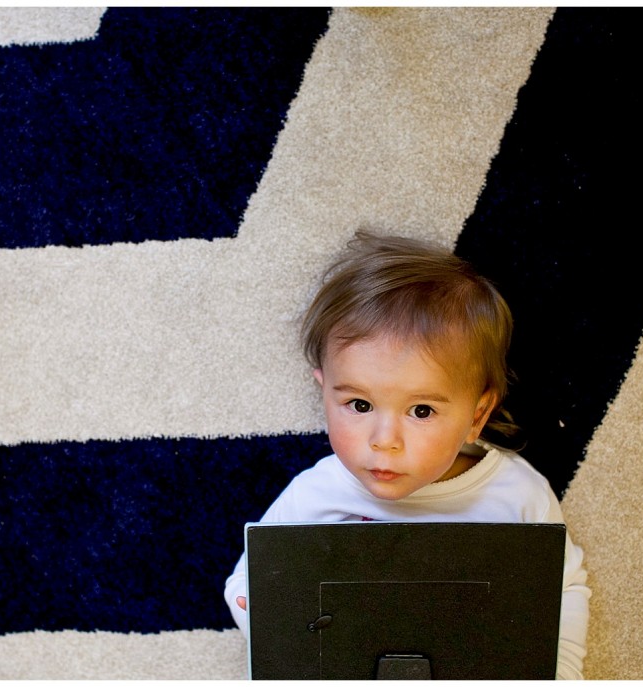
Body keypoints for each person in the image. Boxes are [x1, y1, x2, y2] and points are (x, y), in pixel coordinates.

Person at [223, 231, 590, 679]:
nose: (384, 440)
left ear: (477, 416)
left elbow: (563, 589)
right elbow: (246, 584)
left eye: (421, 410)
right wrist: (279, 632)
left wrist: (563, 673)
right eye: (359, 405)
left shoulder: (518, 494)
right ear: (324, 392)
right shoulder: (317, 493)